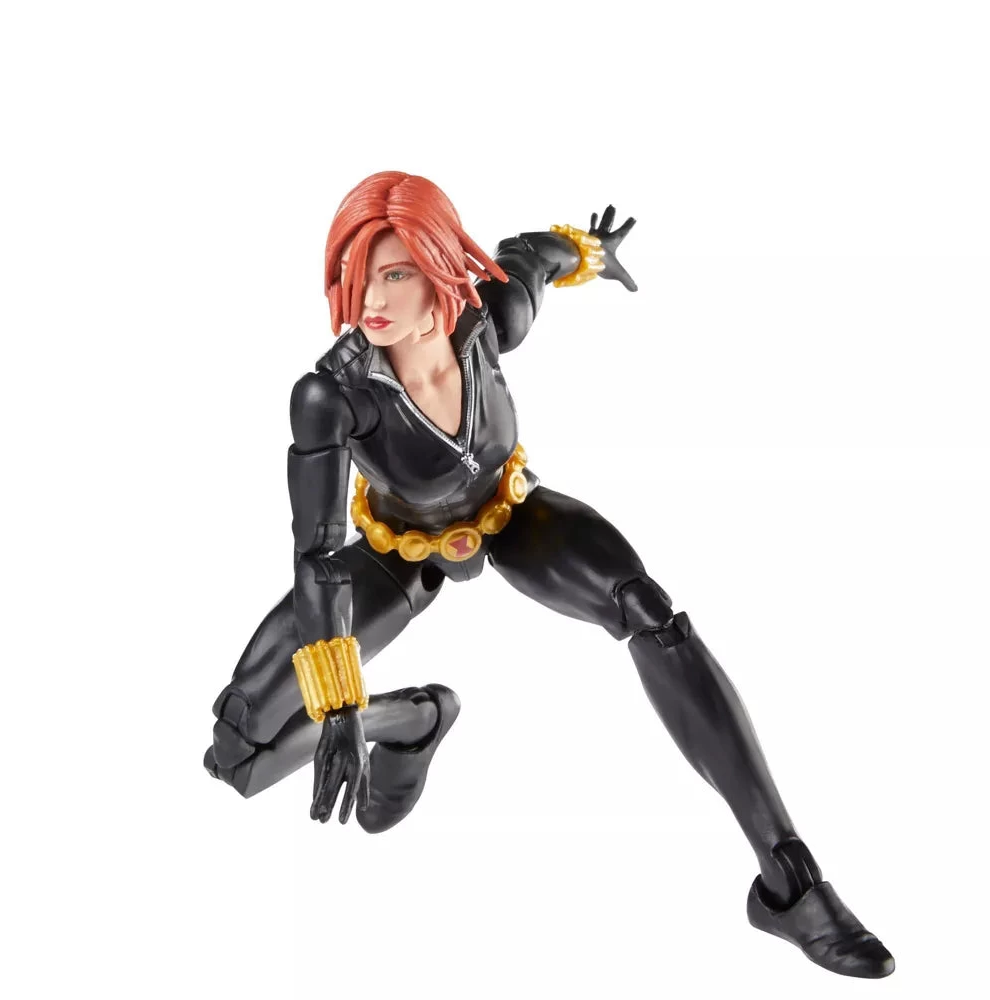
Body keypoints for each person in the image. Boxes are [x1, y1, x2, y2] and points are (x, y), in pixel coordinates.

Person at [205, 171, 893, 979]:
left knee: (647, 608)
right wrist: (345, 704)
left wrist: (593, 251)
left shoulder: (486, 318)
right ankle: (417, 721)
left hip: (511, 515)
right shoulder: (332, 394)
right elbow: (319, 555)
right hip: (396, 554)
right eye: (358, 278)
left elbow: (534, 257)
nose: (373, 300)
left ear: (440, 268)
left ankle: (790, 884)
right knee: (237, 750)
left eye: (396, 273)